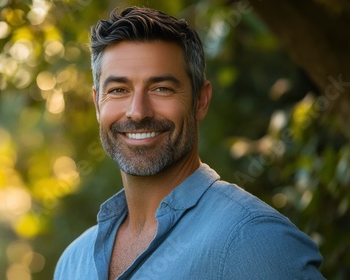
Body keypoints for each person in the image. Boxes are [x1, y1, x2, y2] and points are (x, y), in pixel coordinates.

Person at [54, 6, 324, 280]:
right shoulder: (73, 263)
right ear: (97, 104)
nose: (138, 111)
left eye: (161, 88)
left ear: (200, 101)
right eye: (118, 90)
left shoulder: (254, 239)